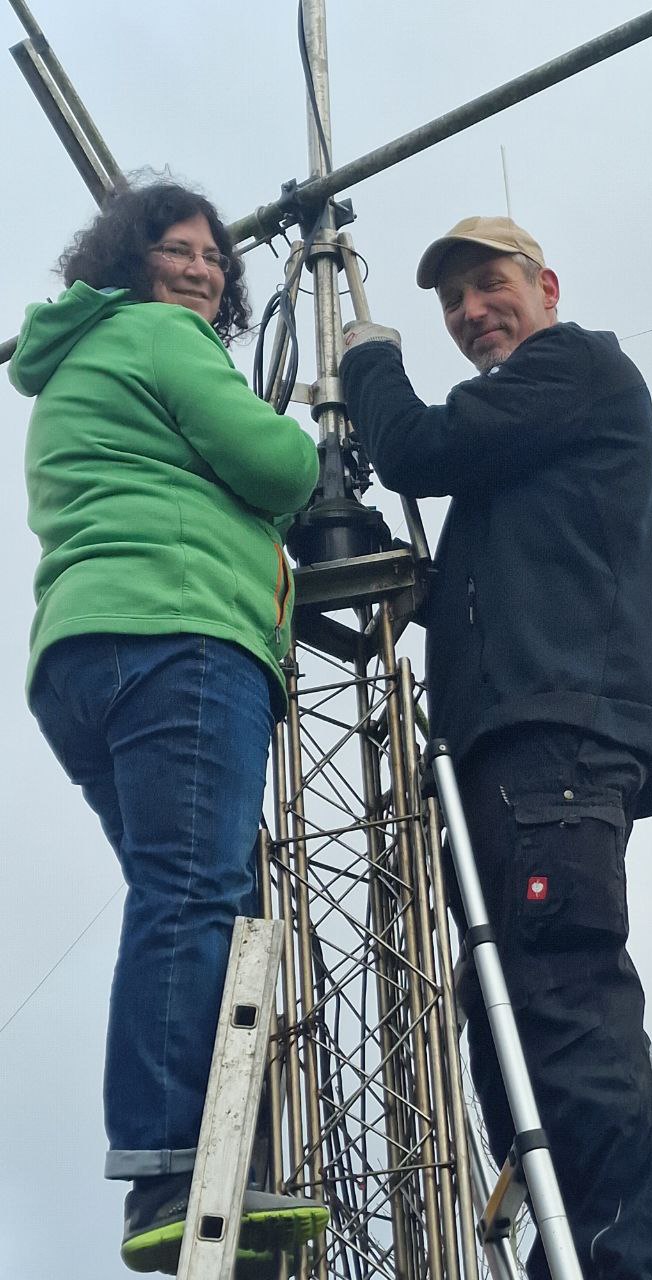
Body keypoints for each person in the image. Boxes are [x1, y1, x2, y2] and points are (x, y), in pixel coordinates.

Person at [340, 216, 652, 1279]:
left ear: (544, 283)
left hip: (557, 743)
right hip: (517, 746)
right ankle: (584, 1245)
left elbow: (415, 446)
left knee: (562, 1000)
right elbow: (504, 576)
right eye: (453, 302)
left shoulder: (573, 368)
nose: (470, 312)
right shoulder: (527, 451)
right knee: (515, 1025)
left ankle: (628, 1257)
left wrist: (368, 362)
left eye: (489, 285)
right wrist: (427, 596)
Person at [9, 181, 328, 1273]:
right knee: (194, 892)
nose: (202, 269)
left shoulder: (71, 367)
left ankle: (213, 1168)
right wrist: (293, 470)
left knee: (210, 893)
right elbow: (280, 464)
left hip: (85, 652)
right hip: (181, 629)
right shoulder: (163, 338)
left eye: (213, 258)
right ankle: (166, 1172)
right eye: (178, 250)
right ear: (132, 260)